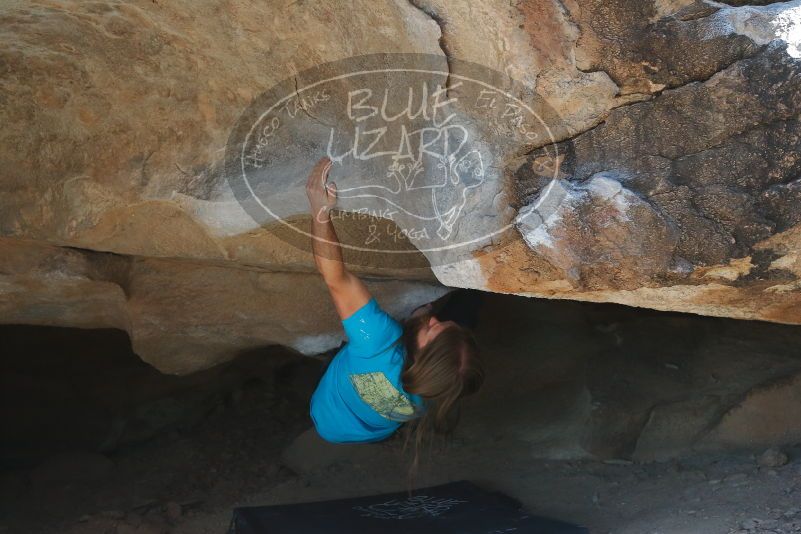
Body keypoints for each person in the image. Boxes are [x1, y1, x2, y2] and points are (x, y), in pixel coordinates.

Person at [304, 156, 485, 481]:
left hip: (325, 414)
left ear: (419, 355)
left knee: (465, 307)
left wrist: (319, 210)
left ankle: (327, 358)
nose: (433, 320)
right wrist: (426, 319)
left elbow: (335, 278)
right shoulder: (436, 390)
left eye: (431, 328)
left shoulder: (376, 340)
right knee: (464, 315)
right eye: (441, 323)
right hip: (374, 430)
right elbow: (446, 352)